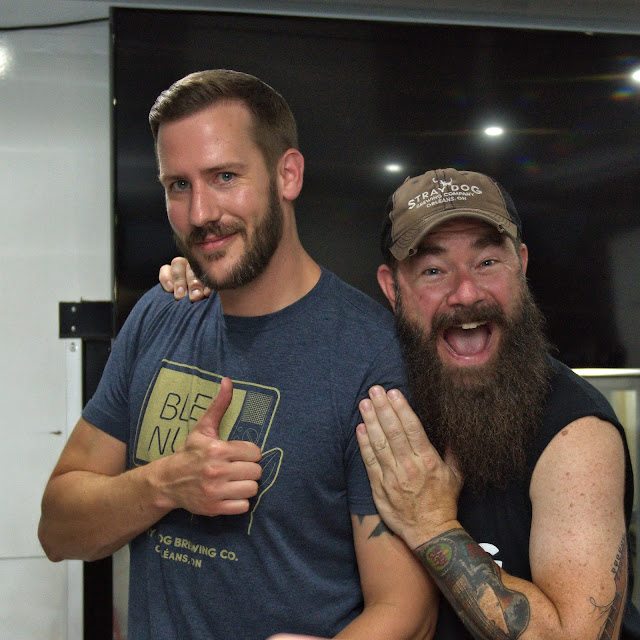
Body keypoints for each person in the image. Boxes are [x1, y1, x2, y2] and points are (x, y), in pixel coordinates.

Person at [37, 70, 436, 640]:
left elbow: (408, 611)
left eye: (224, 177)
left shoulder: (371, 357)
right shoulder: (160, 314)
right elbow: (58, 530)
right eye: (178, 185)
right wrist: (164, 484)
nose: (201, 213)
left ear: (287, 174)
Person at [164, 167, 639, 640]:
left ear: (522, 265)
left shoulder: (577, 434)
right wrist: (210, 276)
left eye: (488, 262)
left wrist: (432, 524)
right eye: (433, 271)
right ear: (393, 289)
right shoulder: (374, 384)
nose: (466, 292)